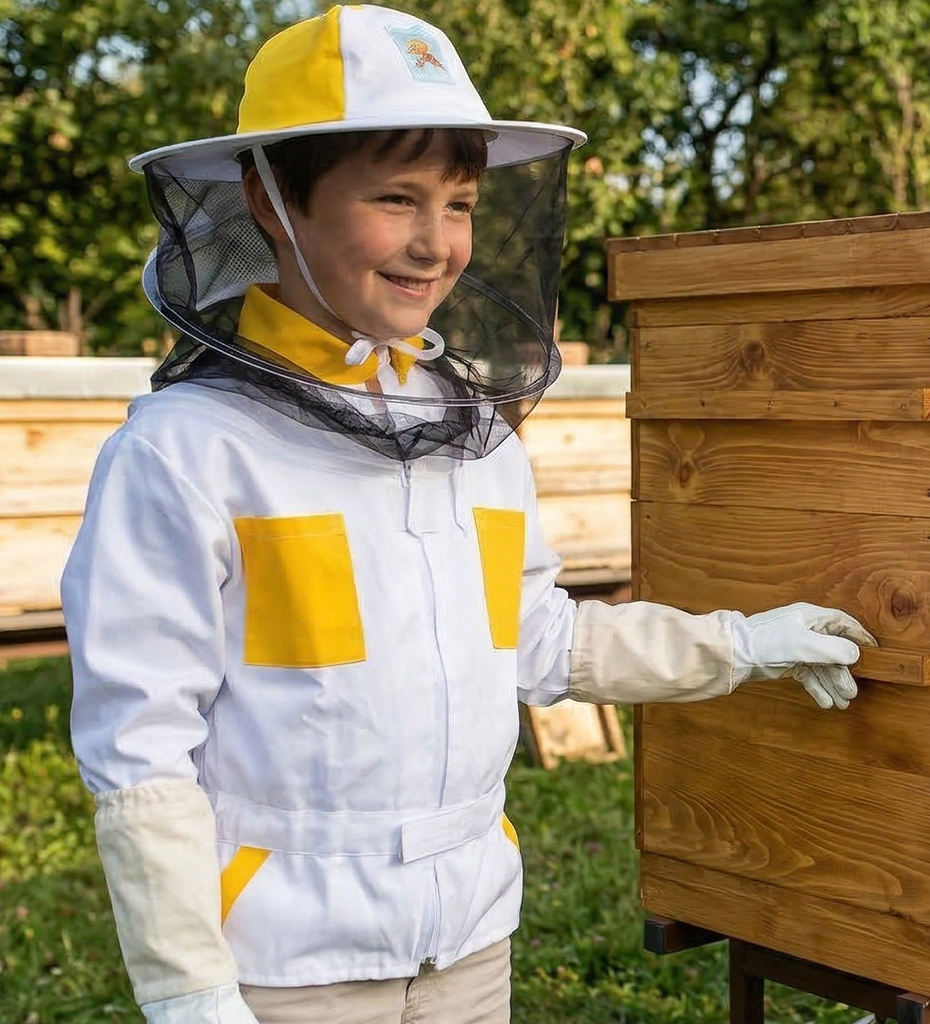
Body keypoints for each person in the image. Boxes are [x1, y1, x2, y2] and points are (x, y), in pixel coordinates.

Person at [60, 6, 876, 1024]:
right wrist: (190, 991)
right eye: (395, 198)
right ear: (270, 200)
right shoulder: (186, 452)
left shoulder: (470, 433)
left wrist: (742, 644)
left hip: (471, 946)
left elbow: (541, 642)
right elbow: (140, 747)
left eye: (458, 203)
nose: (435, 244)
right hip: (285, 967)